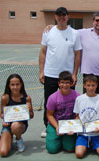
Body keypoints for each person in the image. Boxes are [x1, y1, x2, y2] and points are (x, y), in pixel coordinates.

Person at [39, 6, 82, 138]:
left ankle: (70, 126)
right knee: (49, 102)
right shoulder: (48, 32)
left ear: (68, 17)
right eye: (59, 15)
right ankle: (48, 126)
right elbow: (43, 52)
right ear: (55, 17)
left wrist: (74, 74)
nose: (61, 17)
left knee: (69, 103)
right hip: (51, 74)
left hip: (68, 76)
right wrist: (41, 71)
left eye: (64, 15)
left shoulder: (74, 33)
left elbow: (78, 55)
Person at [73, 75, 99, 159]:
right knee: (79, 154)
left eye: (93, 85)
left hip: (97, 133)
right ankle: (87, 144)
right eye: (88, 85)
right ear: (84, 86)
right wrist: (74, 128)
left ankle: (94, 144)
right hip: (83, 134)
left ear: (96, 85)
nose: (91, 88)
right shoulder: (79, 99)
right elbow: (77, 116)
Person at [0, 74, 34, 156]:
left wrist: (28, 111)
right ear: (9, 86)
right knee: (3, 152)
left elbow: (32, 115)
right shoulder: (5, 98)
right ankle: (9, 138)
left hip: (20, 126)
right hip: (8, 125)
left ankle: (18, 139)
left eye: (17, 84)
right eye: (12, 85)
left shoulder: (27, 98)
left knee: (15, 126)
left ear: (21, 84)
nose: (15, 87)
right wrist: (4, 119)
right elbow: (1, 114)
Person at [45, 71, 80, 154]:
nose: (64, 85)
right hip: (56, 124)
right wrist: (57, 127)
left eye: (67, 83)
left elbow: (78, 114)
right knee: (52, 149)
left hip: (69, 124)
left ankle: (64, 140)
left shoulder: (77, 96)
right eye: (62, 83)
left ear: (71, 83)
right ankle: (54, 136)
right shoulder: (53, 98)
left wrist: (74, 126)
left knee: (70, 149)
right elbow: (49, 115)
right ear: (59, 83)